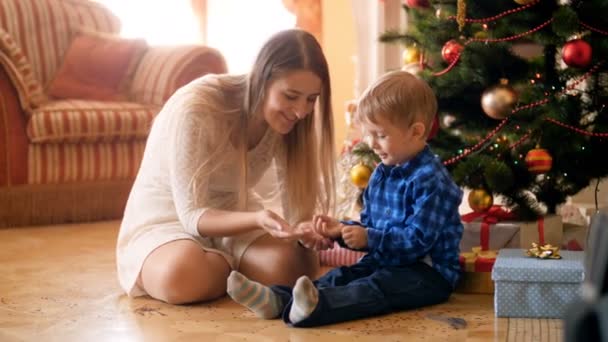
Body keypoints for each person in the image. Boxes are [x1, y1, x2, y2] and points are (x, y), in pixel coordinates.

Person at [226, 70, 464, 327]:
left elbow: (417, 242)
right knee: (343, 275)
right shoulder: (382, 174)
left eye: (380, 135)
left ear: (416, 132)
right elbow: (368, 228)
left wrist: (369, 237)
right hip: (385, 261)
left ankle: (316, 308)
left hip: (427, 274)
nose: (371, 143)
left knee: (374, 288)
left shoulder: (432, 181)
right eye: (368, 134)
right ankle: (277, 299)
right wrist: (341, 230)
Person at [116, 29, 336, 305]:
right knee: (180, 276)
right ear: (261, 79)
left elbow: (296, 211)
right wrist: (258, 220)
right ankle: (231, 269)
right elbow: (192, 216)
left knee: (293, 268)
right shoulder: (198, 108)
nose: (301, 111)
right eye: (291, 96)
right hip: (170, 215)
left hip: (234, 213)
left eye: (311, 99)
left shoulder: (291, 121)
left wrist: (304, 232)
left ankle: (225, 271)